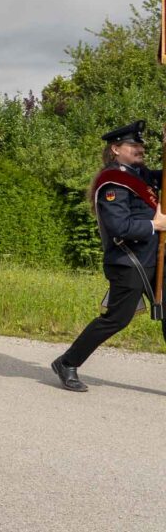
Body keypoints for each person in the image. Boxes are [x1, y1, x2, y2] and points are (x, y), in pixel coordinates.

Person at [53, 121, 166, 392]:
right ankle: (67, 362)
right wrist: (155, 225)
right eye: (134, 145)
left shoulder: (140, 174)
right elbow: (119, 227)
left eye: (141, 145)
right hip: (129, 261)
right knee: (117, 319)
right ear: (116, 149)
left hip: (156, 257)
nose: (141, 149)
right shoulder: (112, 182)